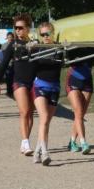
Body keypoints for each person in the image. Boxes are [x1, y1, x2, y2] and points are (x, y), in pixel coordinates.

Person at [0, 14, 36, 155]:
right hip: (19, 82)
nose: (18, 30)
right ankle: (26, 142)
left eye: (20, 28)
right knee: (24, 112)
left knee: (30, 113)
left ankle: (24, 141)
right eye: (16, 28)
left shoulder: (35, 44)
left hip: (34, 82)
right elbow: (3, 64)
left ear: (28, 29)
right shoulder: (13, 45)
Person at [29, 22, 64, 166]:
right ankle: (45, 152)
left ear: (52, 33)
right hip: (40, 85)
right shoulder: (37, 48)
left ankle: (37, 151)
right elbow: (31, 63)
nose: (45, 37)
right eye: (42, 34)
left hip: (54, 87)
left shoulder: (59, 48)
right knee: (43, 118)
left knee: (46, 122)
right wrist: (30, 49)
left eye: (47, 34)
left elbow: (60, 63)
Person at [65, 49, 94, 155]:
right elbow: (67, 56)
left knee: (80, 115)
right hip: (73, 79)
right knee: (78, 112)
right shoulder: (75, 43)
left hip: (87, 82)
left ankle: (72, 142)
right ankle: (83, 142)